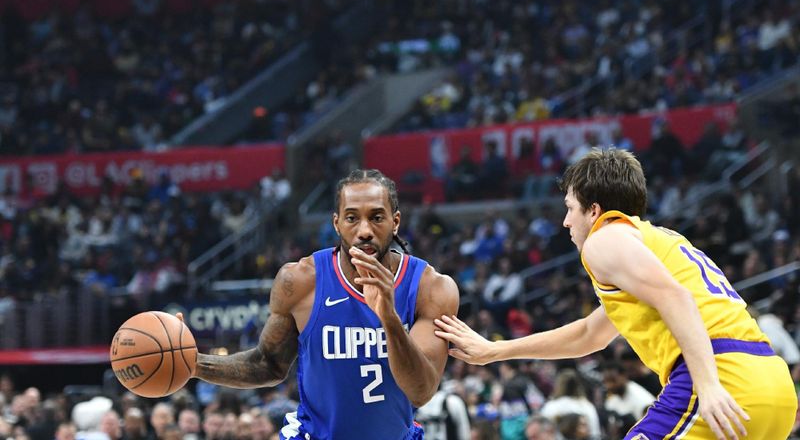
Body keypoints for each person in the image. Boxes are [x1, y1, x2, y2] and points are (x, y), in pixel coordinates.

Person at [435, 148, 797, 440]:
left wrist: (709, 387)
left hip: (721, 381)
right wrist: (495, 350)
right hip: (773, 389)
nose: (565, 223)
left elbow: (676, 299)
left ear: (595, 211)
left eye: (570, 209)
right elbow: (590, 334)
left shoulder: (604, 238)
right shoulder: (658, 244)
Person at [183, 169, 460, 440]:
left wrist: (389, 317)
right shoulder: (300, 281)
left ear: (395, 221)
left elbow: (421, 390)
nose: (364, 230)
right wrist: (194, 365)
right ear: (336, 223)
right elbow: (268, 364)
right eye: (352, 218)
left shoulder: (431, 288)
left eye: (377, 217)